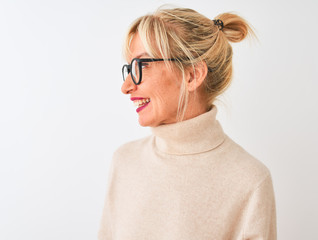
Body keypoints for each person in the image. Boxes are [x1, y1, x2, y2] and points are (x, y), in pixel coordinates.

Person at [98, 6, 276, 240]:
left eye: (142, 66)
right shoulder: (124, 161)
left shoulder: (249, 181)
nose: (126, 86)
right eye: (129, 68)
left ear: (192, 75)